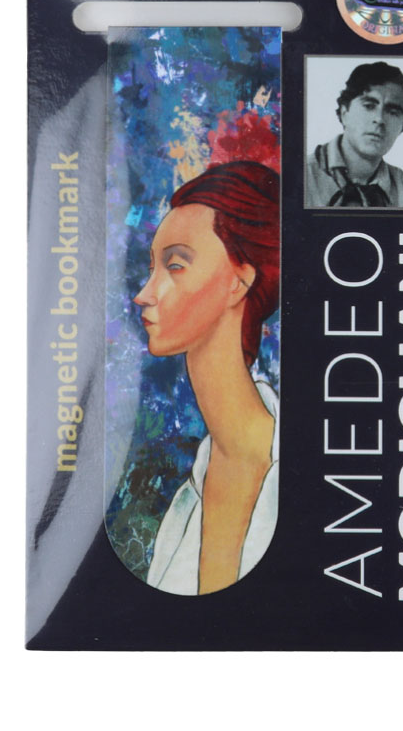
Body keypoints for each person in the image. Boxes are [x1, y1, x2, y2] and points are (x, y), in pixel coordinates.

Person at [133, 161, 281, 595]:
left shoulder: (290, 470)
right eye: (152, 267)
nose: (144, 294)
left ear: (239, 282)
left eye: (175, 265)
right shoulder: (187, 501)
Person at [305, 61, 403, 208]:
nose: (379, 119)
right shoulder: (299, 176)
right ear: (344, 113)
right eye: (369, 106)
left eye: (392, 112)